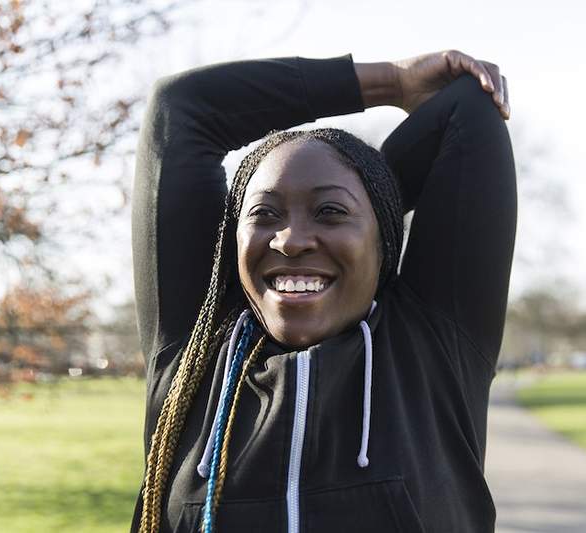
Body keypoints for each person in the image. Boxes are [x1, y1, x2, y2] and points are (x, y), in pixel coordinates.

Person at [130, 49, 517, 533]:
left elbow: (468, 108)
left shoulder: (432, 347)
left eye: (330, 212)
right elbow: (179, 108)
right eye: (264, 214)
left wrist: (371, 193)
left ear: (383, 238)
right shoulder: (194, 354)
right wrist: (391, 82)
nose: (290, 240)